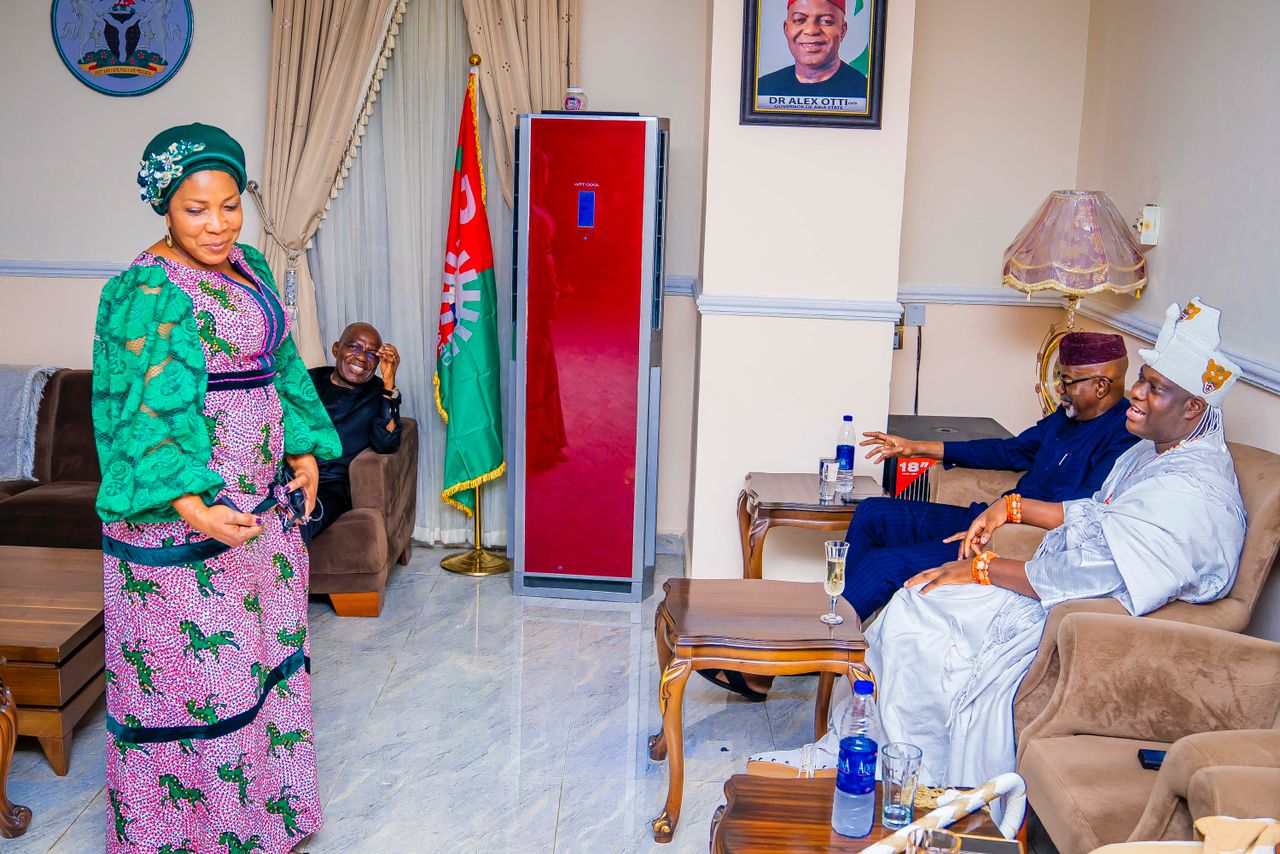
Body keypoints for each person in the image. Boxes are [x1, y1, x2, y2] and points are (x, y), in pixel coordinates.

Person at [749, 297, 1246, 789]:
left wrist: (983, 566)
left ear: (1194, 407)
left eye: (1152, 387)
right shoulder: (1150, 454)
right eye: (1141, 379)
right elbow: (1093, 510)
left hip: (1058, 591)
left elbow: (1100, 567)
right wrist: (1006, 505)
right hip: (1033, 560)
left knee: (910, 602)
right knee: (881, 527)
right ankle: (844, 727)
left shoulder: (1187, 490)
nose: (1135, 393)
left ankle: (884, 762)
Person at [93, 123, 340, 853]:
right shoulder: (145, 287)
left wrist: (303, 449)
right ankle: (192, 839)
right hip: (187, 522)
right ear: (165, 209)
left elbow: (284, 365)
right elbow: (139, 406)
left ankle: (266, 822)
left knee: (259, 663)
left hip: (259, 507)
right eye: (196, 209)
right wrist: (193, 505)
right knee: (204, 678)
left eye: (229, 205)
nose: (217, 224)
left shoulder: (250, 263)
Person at [702, 331, 1136, 701]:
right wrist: (915, 447)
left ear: (1101, 385)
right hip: (986, 519)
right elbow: (1009, 450)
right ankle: (839, 646)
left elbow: (1081, 518)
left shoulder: (1122, 441)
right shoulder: (1065, 418)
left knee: (886, 564)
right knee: (872, 513)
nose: (1060, 389)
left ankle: (779, 668)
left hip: (1013, 541)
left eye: (1068, 381)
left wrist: (1008, 517)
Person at [306, 322, 402, 540]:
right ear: (336, 349)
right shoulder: (308, 381)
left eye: (371, 354)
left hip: (330, 487)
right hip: (289, 476)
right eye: (354, 347)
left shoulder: (379, 393)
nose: (361, 358)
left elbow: (386, 443)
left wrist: (389, 384)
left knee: (299, 521)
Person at [757, 0, 868, 99]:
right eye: (799, 20)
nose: (811, 30)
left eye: (826, 21)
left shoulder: (864, 92)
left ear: (842, 30)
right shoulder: (763, 89)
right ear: (786, 29)